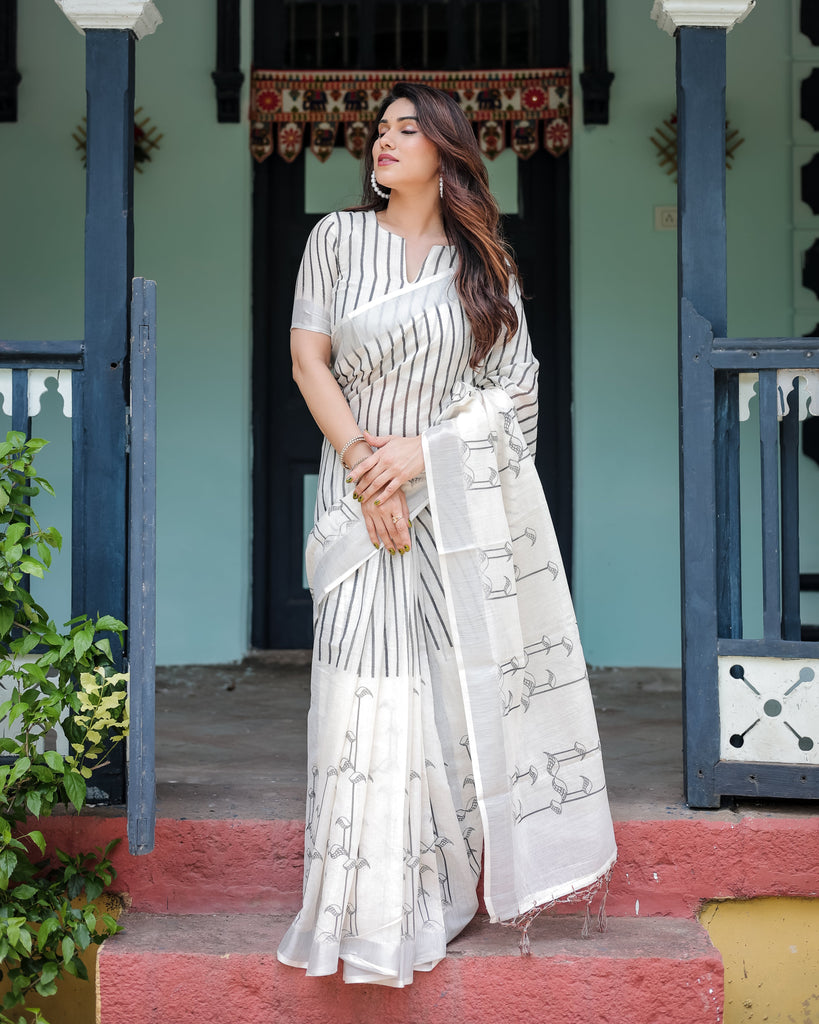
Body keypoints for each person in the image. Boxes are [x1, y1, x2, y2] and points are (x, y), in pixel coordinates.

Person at [277, 81, 616, 987]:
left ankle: (424, 895)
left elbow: (517, 398)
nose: (382, 142)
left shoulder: (483, 268)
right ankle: (355, 910)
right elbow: (309, 357)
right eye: (378, 130)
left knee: (431, 699)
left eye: (404, 130)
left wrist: (420, 459)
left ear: (445, 151)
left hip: (436, 512)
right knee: (359, 690)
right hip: (355, 506)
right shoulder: (336, 240)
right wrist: (364, 464)